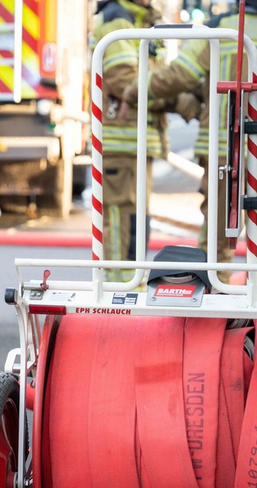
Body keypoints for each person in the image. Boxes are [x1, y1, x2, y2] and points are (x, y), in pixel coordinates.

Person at [129, 0, 257, 285]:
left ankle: (212, 304)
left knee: (216, 231)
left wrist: (134, 89)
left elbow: (180, 75)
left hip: (222, 149)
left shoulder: (219, 28)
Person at [91, 0, 190, 281]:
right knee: (121, 217)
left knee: (135, 218)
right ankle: (116, 286)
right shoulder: (118, 21)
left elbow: (148, 81)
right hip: (121, 142)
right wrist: (180, 100)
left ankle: (129, 280)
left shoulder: (137, 21)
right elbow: (128, 83)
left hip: (135, 142)